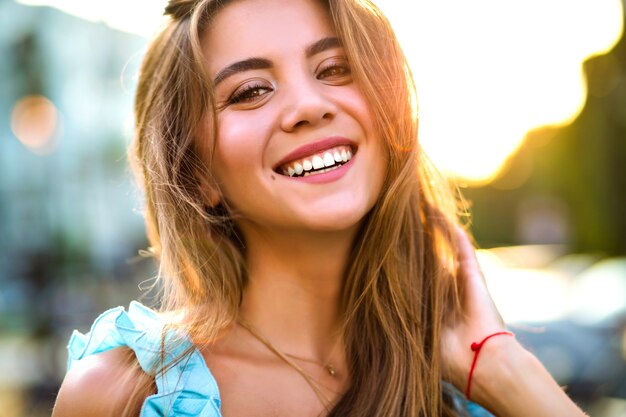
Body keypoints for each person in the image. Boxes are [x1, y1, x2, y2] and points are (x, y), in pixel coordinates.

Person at [52, 0, 588, 416]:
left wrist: (504, 370)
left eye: (334, 68)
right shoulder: (122, 396)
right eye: (251, 91)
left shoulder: (468, 391)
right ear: (197, 174)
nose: (309, 106)